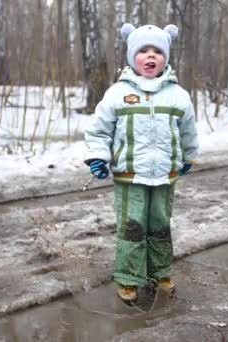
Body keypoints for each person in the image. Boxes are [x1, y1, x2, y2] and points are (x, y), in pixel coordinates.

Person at [83, 23, 199, 302]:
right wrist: (98, 157)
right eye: (143, 51)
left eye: (157, 51)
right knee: (132, 225)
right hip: (129, 175)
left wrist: (188, 156)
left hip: (164, 175)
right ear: (132, 56)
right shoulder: (117, 93)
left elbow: (188, 131)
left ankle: (160, 272)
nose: (150, 56)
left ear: (166, 57)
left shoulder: (178, 96)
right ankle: (129, 277)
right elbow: (99, 130)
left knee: (160, 224)